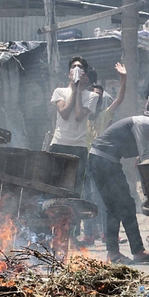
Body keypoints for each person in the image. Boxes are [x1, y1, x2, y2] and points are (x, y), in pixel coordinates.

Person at [89, 99, 149, 264]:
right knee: (115, 207)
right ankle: (117, 253)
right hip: (101, 160)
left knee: (125, 206)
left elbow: (143, 161)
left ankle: (133, 251)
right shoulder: (142, 124)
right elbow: (146, 158)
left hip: (111, 162)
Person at [83, 63, 127, 245]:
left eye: (99, 97)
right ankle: (89, 234)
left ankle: (106, 233)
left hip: (100, 162)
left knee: (102, 198)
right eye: (93, 96)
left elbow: (119, 99)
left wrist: (123, 78)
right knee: (86, 198)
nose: (96, 99)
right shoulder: (80, 117)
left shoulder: (104, 117)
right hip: (83, 162)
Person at [49, 56, 99, 196]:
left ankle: (73, 217)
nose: (76, 69)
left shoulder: (92, 97)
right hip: (59, 143)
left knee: (75, 190)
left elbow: (78, 116)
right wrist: (74, 90)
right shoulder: (59, 91)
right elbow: (64, 113)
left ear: (86, 75)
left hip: (79, 147)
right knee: (54, 186)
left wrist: (78, 91)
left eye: (80, 67)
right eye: (73, 67)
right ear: (68, 73)